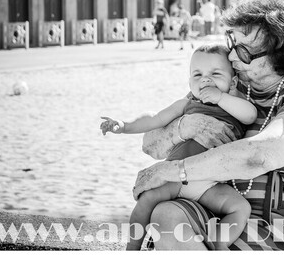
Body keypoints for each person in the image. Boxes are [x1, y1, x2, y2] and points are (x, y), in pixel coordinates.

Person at [134, 0, 284, 250]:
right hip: (221, 215)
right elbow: (150, 144)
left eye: (245, 51)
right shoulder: (232, 83)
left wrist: (174, 170)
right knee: (166, 215)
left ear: (281, 54)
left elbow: (261, 154)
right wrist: (184, 127)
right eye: (232, 43)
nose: (232, 55)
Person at [101, 45, 257, 250]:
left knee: (240, 208)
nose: (205, 80)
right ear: (189, 82)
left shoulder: (233, 104)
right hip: (175, 176)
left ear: (233, 81)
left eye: (215, 74)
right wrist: (124, 126)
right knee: (146, 201)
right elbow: (155, 119)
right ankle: (132, 247)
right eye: (197, 75)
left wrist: (221, 98)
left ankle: (219, 244)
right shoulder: (188, 103)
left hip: (209, 183)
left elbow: (250, 115)